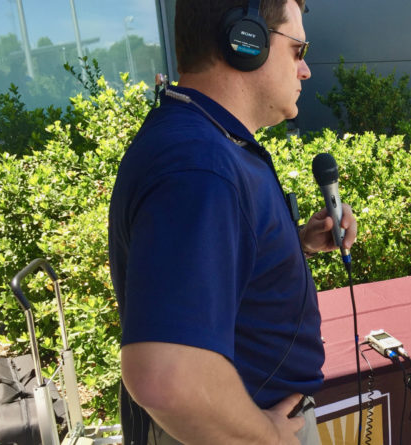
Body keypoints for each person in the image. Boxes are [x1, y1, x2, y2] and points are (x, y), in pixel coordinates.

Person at [108, 1, 356, 444]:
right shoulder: (200, 165)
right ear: (246, 41)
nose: (305, 70)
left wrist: (295, 243)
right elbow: (166, 377)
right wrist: (266, 435)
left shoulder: (204, 140)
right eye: (298, 50)